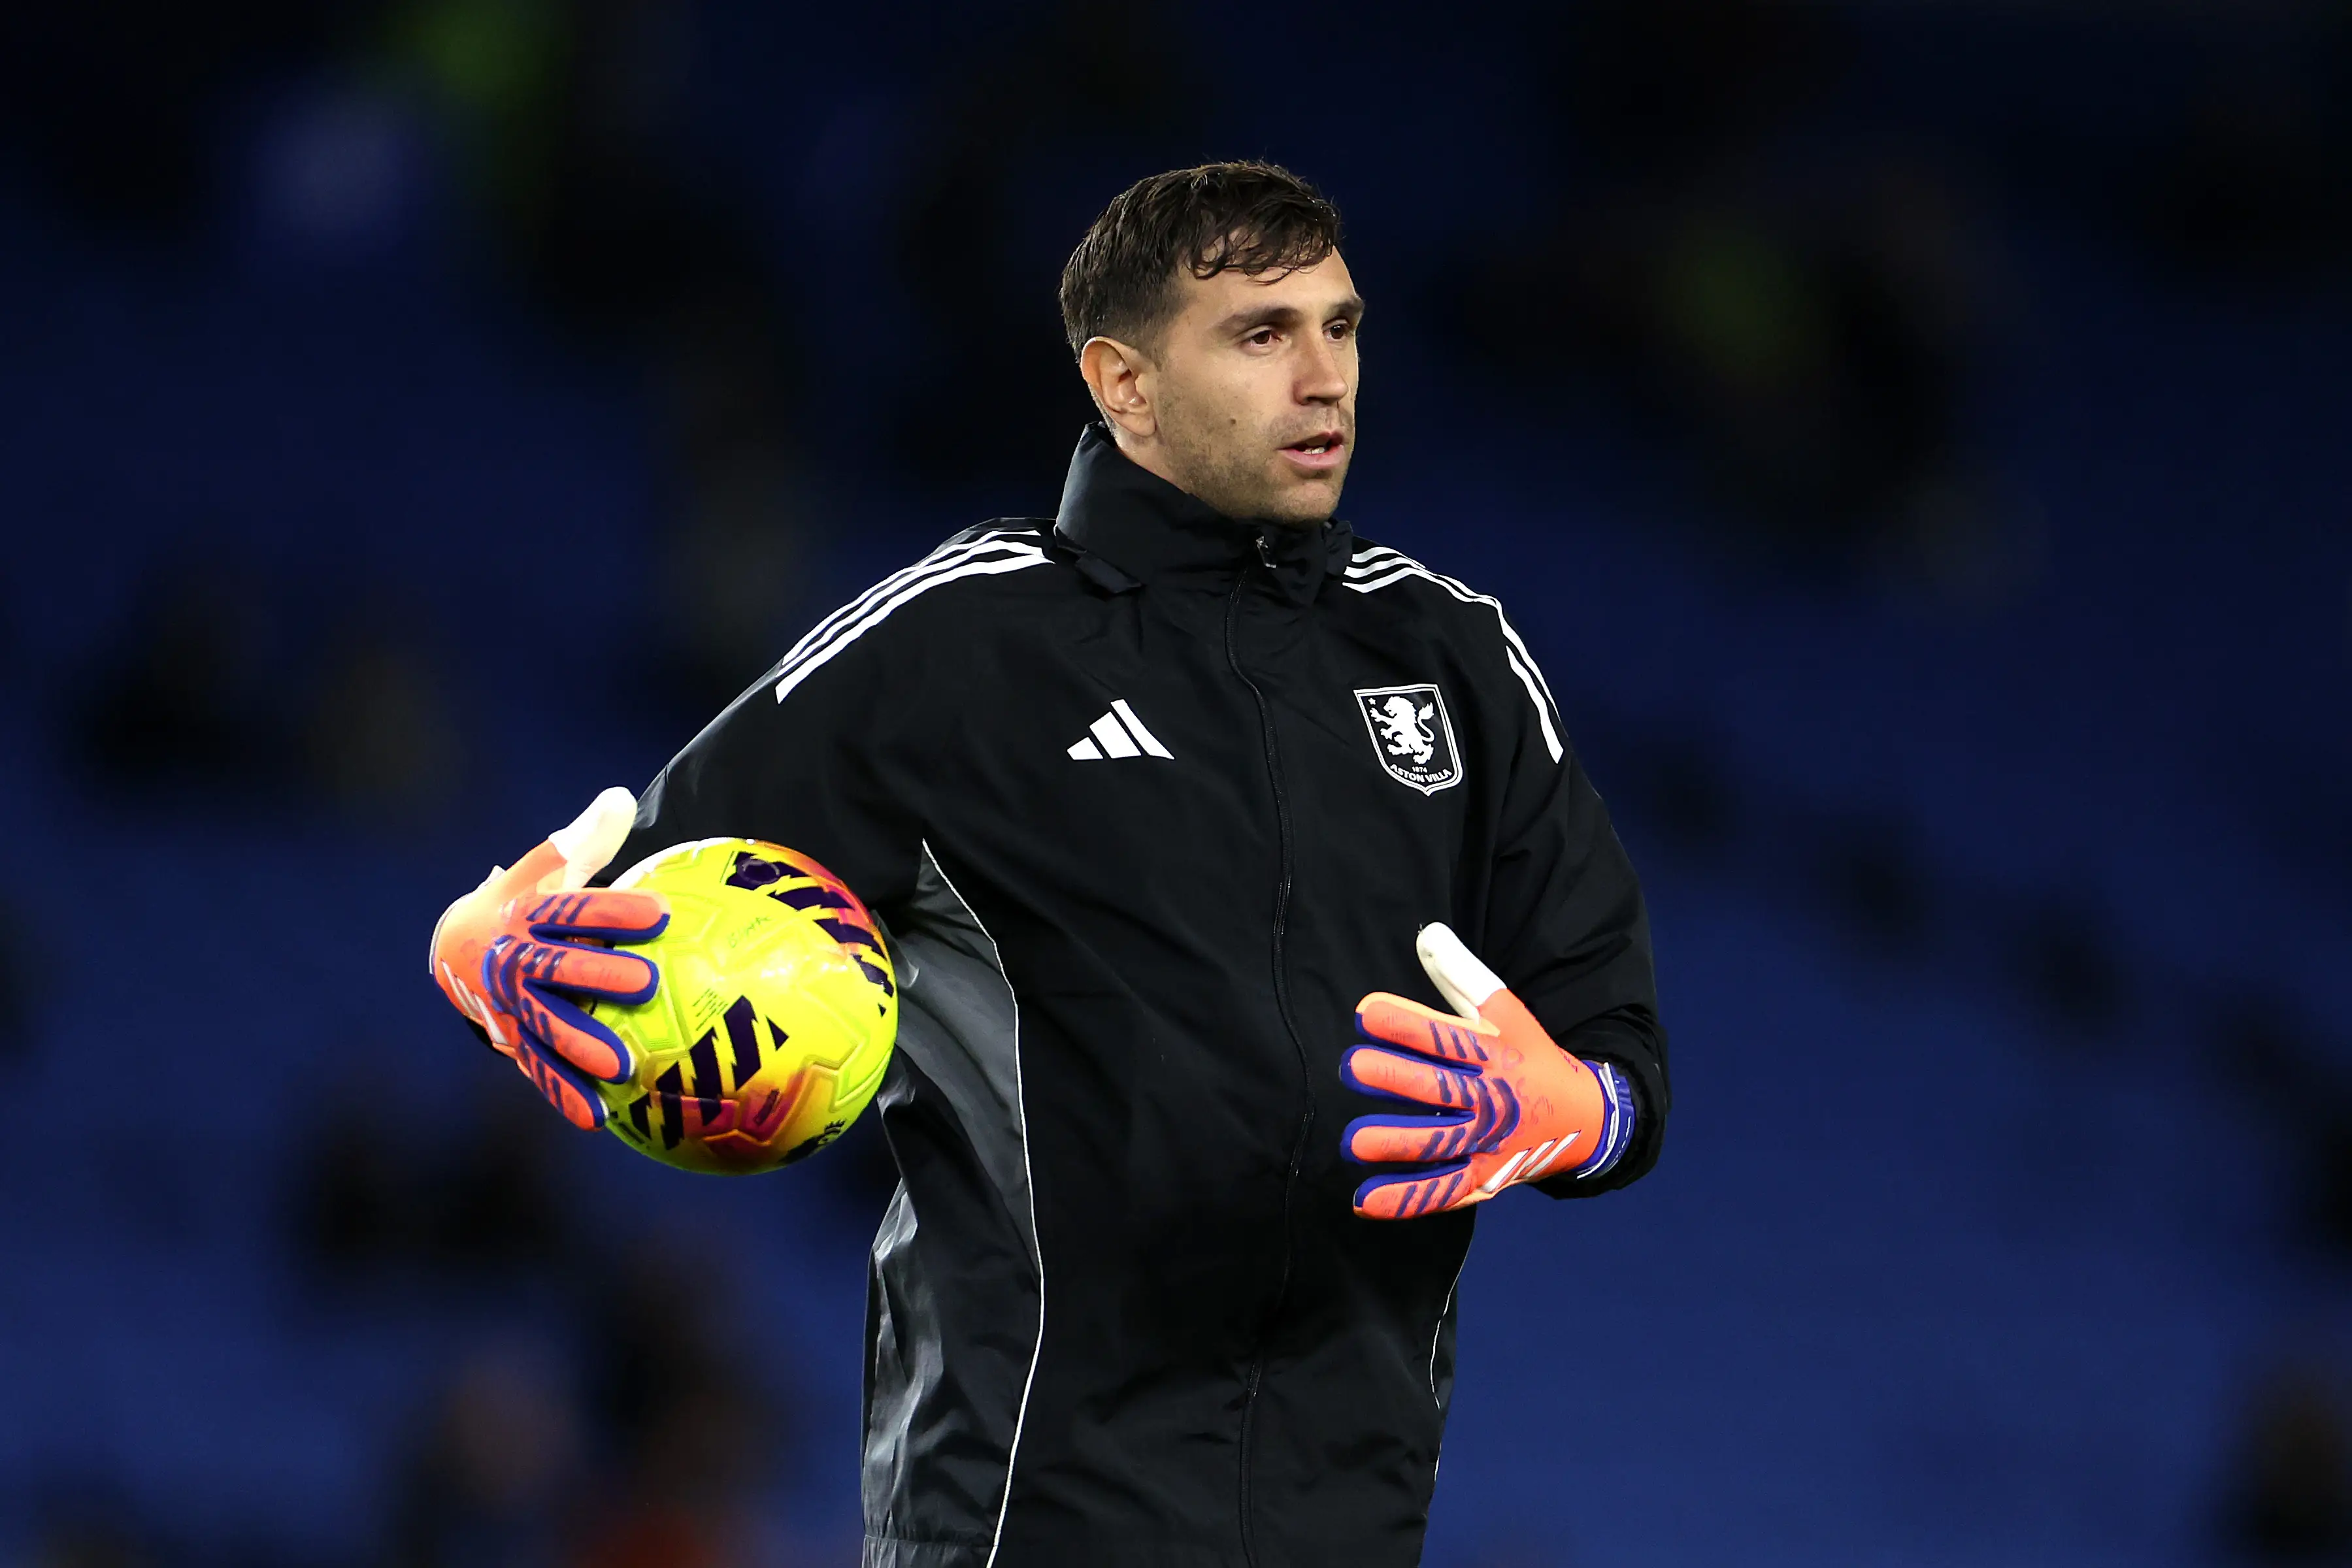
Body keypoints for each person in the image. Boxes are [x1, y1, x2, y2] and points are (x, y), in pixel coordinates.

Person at [429, 162, 1669, 1568]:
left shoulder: (1452, 658)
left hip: (1355, 1529)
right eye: (1261, 335)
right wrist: (477, 948)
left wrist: (1582, 1113)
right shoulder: (958, 647)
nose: (1324, 376)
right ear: (1121, 383)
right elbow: (606, 911)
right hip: (1019, 1522)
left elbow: (1617, 1052)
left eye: (1342, 325)